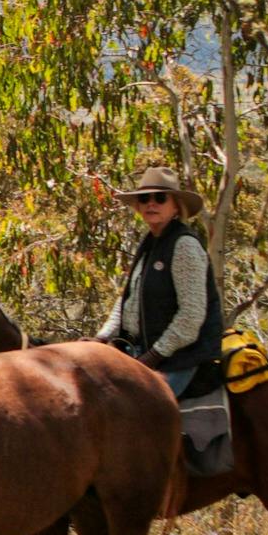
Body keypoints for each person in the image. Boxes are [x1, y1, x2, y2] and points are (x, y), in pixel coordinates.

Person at [95, 165, 225, 397]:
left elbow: (191, 317)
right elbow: (128, 301)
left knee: (137, 410)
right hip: (138, 350)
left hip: (180, 359)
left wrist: (152, 357)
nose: (151, 204)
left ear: (176, 206)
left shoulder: (184, 245)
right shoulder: (150, 243)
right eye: (144, 198)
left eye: (160, 198)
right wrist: (101, 337)